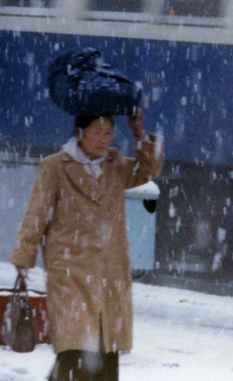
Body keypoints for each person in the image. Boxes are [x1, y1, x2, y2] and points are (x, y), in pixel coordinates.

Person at [10, 110, 164, 381]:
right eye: (97, 133)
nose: (104, 140)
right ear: (80, 134)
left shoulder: (116, 165)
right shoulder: (55, 166)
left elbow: (149, 170)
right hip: (70, 270)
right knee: (75, 349)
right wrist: (25, 255)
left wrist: (140, 134)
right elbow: (37, 214)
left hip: (109, 272)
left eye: (108, 133)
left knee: (106, 350)